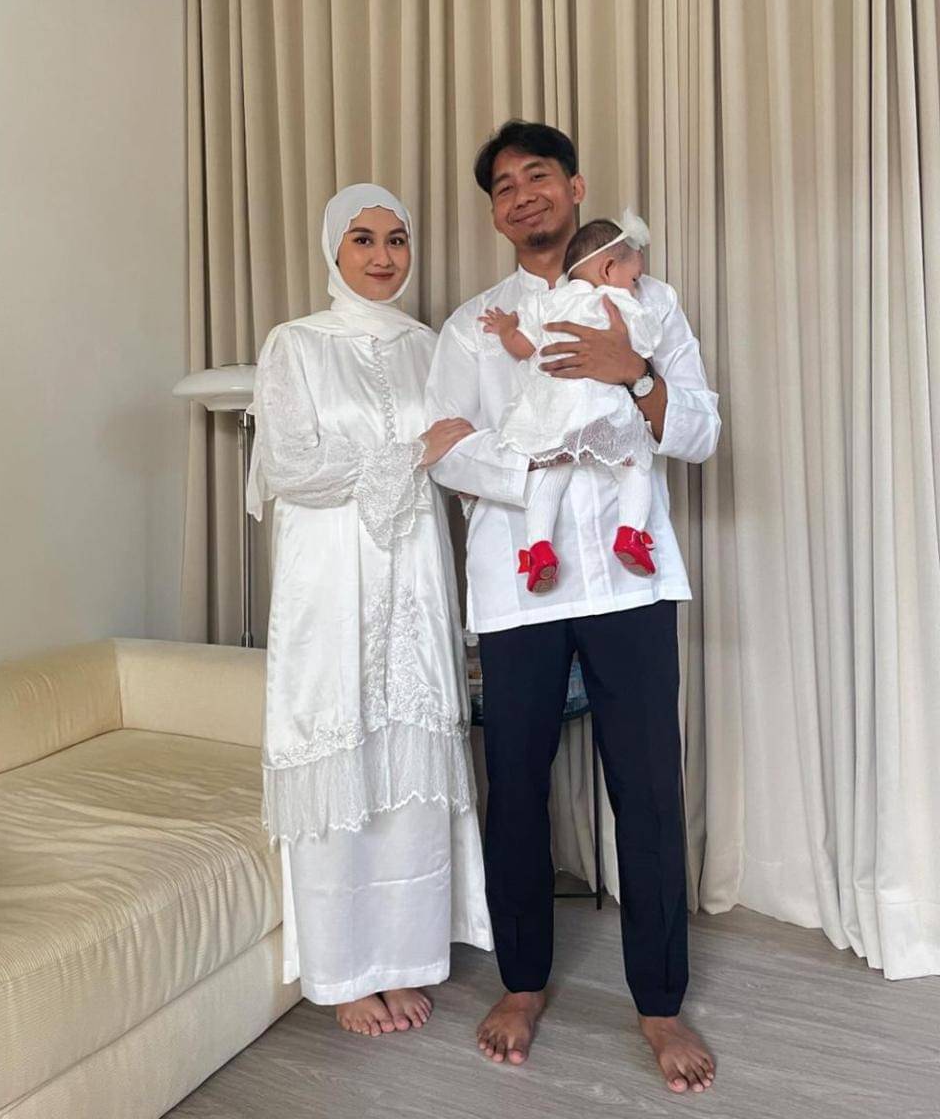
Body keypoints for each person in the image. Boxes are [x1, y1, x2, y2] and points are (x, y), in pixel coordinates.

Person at [424, 122, 721, 1094]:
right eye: (503, 186)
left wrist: (632, 373)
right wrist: (538, 466)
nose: (521, 195)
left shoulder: (648, 302)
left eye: (537, 176)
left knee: (649, 788)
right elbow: (444, 446)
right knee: (515, 785)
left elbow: (700, 432)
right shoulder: (475, 324)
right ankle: (521, 983)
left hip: (633, 581)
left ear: (575, 187)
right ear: (496, 213)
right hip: (520, 583)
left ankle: (660, 1003)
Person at [247, 183, 492, 1039]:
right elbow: (292, 467)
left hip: (415, 572)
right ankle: (346, 971)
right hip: (329, 579)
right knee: (338, 741)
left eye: (397, 239)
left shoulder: (431, 347)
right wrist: (412, 452)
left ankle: (405, 954)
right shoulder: (296, 344)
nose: (384, 256)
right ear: (333, 249)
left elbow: (463, 448)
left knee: (409, 752)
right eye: (363, 239)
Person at [478, 211, 662, 592]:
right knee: (634, 467)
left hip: (556, 413)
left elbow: (522, 348)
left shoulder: (546, 303)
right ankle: (630, 533)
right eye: (634, 279)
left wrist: (506, 328)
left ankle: (539, 548)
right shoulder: (618, 304)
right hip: (604, 409)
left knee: (547, 477)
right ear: (608, 269)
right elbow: (643, 348)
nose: (635, 287)